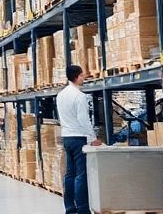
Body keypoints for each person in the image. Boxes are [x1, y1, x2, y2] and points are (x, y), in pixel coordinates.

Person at [58, 65, 102, 214]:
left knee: (69, 174)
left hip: (67, 137)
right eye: (82, 76)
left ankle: (70, 207)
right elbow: (83, 120)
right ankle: (83, 208)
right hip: (78, 138)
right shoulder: (79, 96)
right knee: (81, 174)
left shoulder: (61, 95)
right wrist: (93, 137)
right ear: (77, 76)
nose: (84, 78)